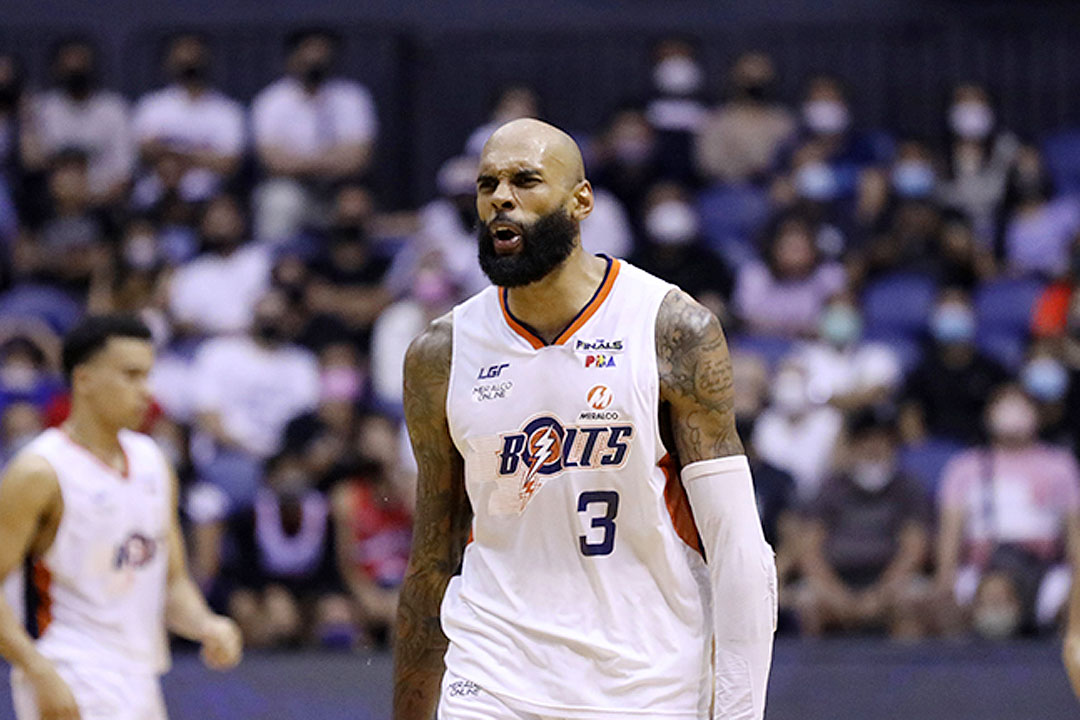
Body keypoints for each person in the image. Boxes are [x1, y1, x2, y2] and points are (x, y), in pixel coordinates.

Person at [393, 119, 776, 719]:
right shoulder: (441, 354)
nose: (500, 198)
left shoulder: (671, 330)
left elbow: (740, 549)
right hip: (492, 677)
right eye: (488, 184)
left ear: (581, 201)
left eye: (525, 181)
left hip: (647, 681)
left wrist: (738, 713)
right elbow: (432, 557)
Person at [0, 314, 241, 720]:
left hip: (140, 674)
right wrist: (37, 669)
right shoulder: (39, 471)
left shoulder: (153, 461)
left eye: (148, 375)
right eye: (131, 375)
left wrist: (207, 624)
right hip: (69, 668)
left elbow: (171, 582)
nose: (147, 390)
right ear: (84, 380)